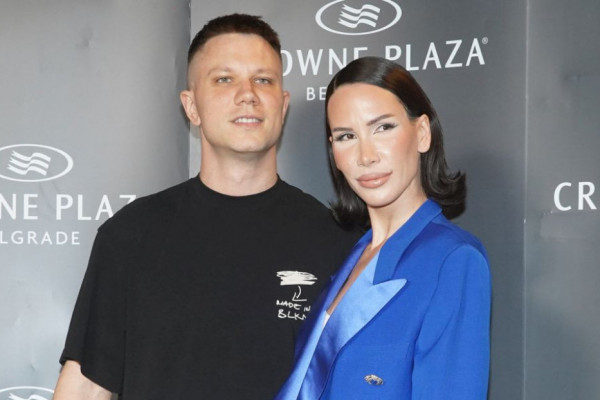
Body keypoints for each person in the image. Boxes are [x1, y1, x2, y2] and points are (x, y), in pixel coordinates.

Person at [53, 14, 359, 400]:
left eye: (263, 80)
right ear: (191, 106)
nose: (247, 94)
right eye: (224, 79)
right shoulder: (130, 235)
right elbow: (85, 387)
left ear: (282, 107)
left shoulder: (337, 242)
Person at [275, 57, 491, 399]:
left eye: (383, 128)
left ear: (422, 133)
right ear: (334, 152)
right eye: (346, 136)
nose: (366, 155)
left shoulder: (453, 260)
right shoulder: (348, 260)